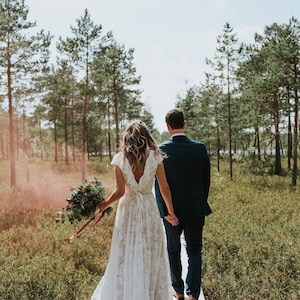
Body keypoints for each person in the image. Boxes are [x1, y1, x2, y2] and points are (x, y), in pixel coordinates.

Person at [91, 120, 179, 300]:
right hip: (148, 207)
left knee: (125, 252)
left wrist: (104, 204)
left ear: (127, 138)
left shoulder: (120, 159)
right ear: (146, 137)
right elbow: (165, 189)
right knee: (150, 251)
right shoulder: (155, 157)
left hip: (128, 209)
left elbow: (120, 191)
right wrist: (171, 212)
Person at [155, 108, 212, 300]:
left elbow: (159, 186)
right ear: (184, 124)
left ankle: (178, 290)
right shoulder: (200, 148)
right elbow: (206, 181)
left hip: (172, 212)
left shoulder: (161, 150)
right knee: (195, 250)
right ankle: (193, 294)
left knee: (173, 250)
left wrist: (165, 212)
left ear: (168, 126)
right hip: (196, 209)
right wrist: (200, 202)